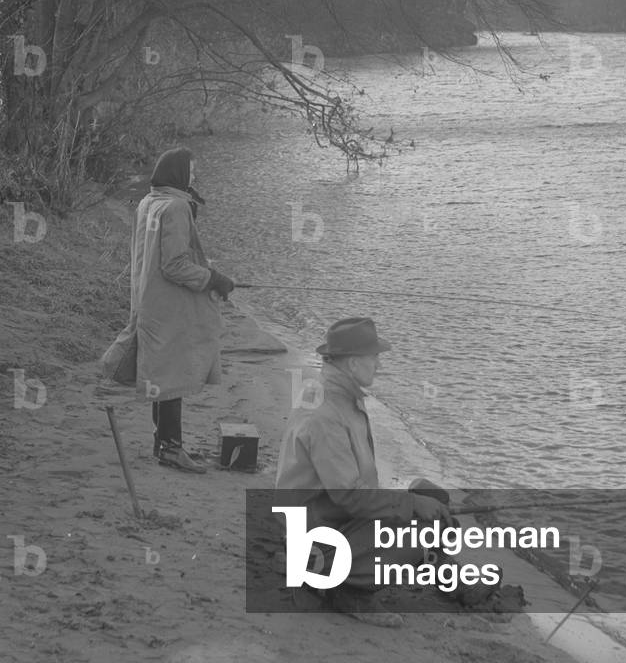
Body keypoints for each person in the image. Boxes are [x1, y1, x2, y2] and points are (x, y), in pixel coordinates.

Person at [275, 316, 455, 627]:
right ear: (353, 362)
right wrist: (412, 507)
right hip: (315, 538)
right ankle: (345, 589)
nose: (379, 366)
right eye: (375, 358)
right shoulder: (328, 412)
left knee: (431, 497)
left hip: (327, 517)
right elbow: (350, 495)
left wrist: (415, 502)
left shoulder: (334, 392)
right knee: (424, 530)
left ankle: (348, 576)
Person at [132, 146, 234, 472]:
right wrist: (213, 278)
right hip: (169, 304)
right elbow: (174, 265)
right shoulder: (175, 206)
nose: (194, 176)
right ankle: (172, 448)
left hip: (149, 300)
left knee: (162, 373)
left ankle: (162, 444)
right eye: (191, 171)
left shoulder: (149, 201)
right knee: (172, 374)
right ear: (178, 173)